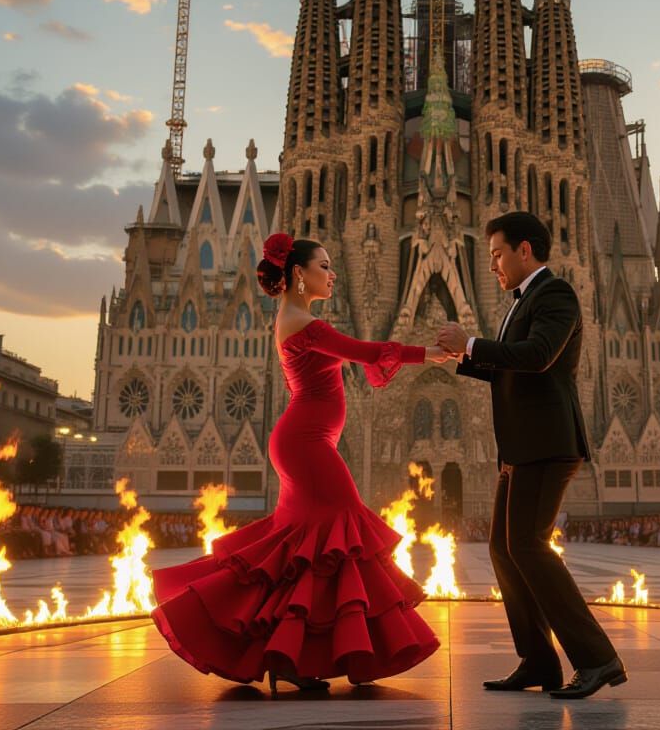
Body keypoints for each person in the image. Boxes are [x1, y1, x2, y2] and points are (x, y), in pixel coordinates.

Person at [150, 234, 446, 694]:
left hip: (305, 439)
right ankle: (301, 649)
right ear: (297, 274)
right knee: (340, 534)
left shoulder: (297, 318)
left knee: (300, 552)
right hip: (306, 444)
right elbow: (366, 354)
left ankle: (289, 655)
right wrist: (430, 354)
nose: (331, 274)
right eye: (324, 266)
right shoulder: (305, 324)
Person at [438, 211, 626, 700]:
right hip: (522, 448)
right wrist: (464, 358)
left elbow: (539, 356)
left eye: (498, 254)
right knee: (504, 547)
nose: (494, 265)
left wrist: (475, 343)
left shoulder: (556, 295)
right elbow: (512, 371)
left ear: (526, 250)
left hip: (548, 444)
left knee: (529, 546)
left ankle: (597, 658)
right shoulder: (520, 302)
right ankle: (538, 660)